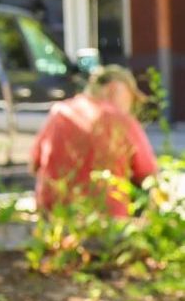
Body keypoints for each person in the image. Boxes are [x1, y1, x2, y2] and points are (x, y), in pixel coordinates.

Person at [31, 65, 157, 219]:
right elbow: (148, 174)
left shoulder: (59, 112)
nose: (131, 107)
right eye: (131, 97)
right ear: (113, 88)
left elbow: (33, 164)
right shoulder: (122, 121)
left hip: (55, 218)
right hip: (108, 220)